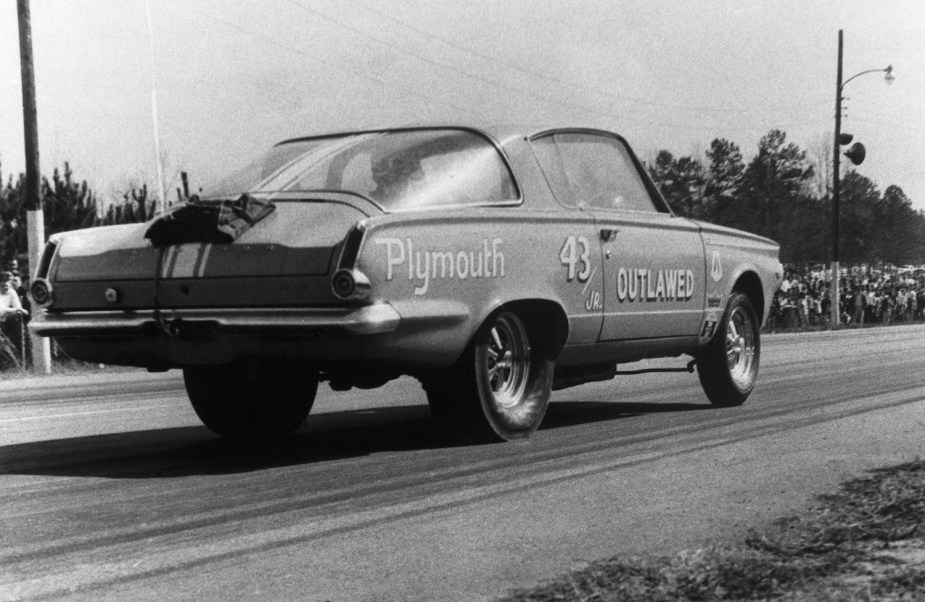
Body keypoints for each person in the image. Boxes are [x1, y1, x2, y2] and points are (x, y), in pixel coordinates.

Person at [0, 271, 28, 369]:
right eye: (3, 285)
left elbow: (18, 306)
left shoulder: (11, 292)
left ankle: (15, 366)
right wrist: (16, 310)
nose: (6, 288)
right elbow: (1, 310)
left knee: (9, 345)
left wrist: (18, 310)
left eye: (7, 285)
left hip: (4, 322)